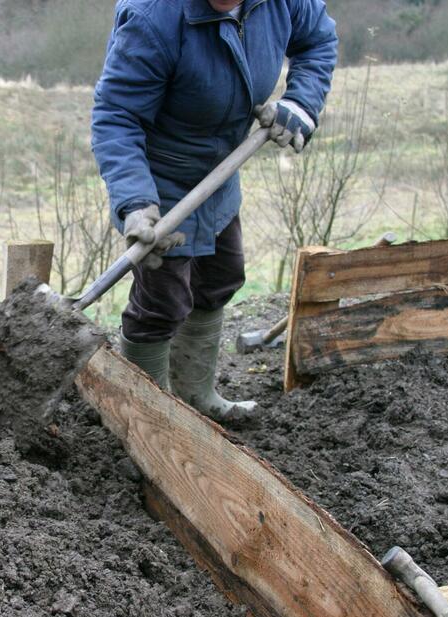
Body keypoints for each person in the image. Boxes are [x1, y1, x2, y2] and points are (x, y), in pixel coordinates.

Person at [91, 0, 337, 422]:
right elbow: (117, 116)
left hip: (223, 169)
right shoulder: (153, 19)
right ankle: (145, 421)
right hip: (160, 179)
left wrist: (301, 102)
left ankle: (196, 396)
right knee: (162, 303)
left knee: (221, 278)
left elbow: (317, 41)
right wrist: (135, 203)